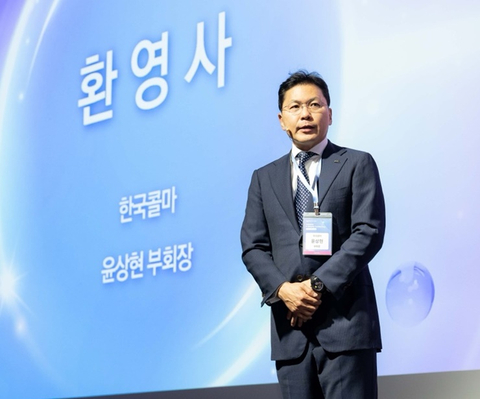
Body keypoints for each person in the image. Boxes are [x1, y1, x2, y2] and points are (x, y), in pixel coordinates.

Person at [240, 70, 386, 399]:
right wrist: (283, 290)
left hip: (346, 326)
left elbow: (369, 232)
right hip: (291, 333)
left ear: (329, 114)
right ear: (281, 119)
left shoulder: (356, 164)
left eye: (314, 104)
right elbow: (253, 247)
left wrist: (316, 286)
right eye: (295, 107)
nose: (305, 114)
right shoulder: (263, 178)